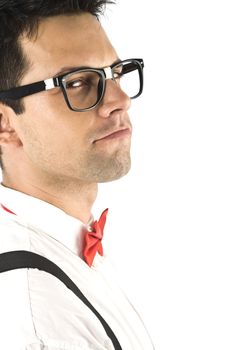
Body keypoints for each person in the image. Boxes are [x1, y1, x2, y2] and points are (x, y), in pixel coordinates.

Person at [0, 1, 153, 349]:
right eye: (77, 82)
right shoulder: (36, 312)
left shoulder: (67, 242)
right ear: (5, 122)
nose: (119, 99)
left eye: (115, 73)